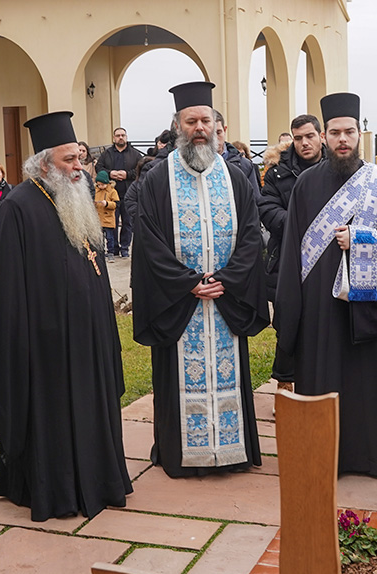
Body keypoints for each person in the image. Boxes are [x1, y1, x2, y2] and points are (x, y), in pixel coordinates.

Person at [0, 111, 132, 521]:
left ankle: (99, 481)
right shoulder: (18, 207)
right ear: (44, 164)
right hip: (46, 348)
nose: (78, 167)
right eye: (69, 161)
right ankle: (57, 490)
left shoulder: (76, 200)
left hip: (88, 339)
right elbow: (8, 292)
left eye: (79, 158)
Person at [131, 81, 270, 479]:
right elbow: (149, 242)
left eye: (205, 120)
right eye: (191, 120)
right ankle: (180, 454)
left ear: (215, 125)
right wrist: (188, 283)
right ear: (178, 125)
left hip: (224, 300)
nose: (199, 128)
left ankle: (231, 451)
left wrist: (226, 280)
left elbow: (250, 234)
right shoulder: (157, 180)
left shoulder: (236, 178)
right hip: (181, 303)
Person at [273, 92, 377, 476]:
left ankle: (368, 458)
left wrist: (364, 238)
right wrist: (291, 311)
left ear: (359, 134)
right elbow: (290, 255)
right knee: (320, 380)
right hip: (319, 308)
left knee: (366, 387)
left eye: (349, 131)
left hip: (366, 308)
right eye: (334, 133)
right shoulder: (304, 185)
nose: (342, 139)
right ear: (323, 136)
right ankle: (322, 455)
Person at [259, 113, 326, 391]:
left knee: (324, 322)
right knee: (288, 322)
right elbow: (267, 209)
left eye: (310, 136)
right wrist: (301, 225)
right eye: (298, 138)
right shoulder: (277, 172)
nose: (304, 143)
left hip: (328, 259)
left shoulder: (338, 168)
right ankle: (285, 384)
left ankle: (324, 381)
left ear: (321, 136)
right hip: (288, 259)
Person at [95, 126, 141, 258]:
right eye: (118, 135)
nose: (121, 137)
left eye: (123, 135)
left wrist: (127, 174)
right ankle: (113, 248)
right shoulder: (107, 154)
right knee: (111, 222)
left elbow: (139, 170)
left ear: (126, 137)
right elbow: (99, 167)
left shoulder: (135, 154)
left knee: (127, 222)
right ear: (114, 138)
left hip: (128, 194)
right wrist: (111, 173)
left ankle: (125, 248)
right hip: (109, 196)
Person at [214, 110, 262, 200]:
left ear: (225, 130)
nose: (215, 138)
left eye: (218, 133)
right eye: (211, 134)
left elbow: (255, 200)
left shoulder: (245, 165)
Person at [93, 170, 119, 262]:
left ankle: (111, 252)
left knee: (109, 237)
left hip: (108, 218)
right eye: (98, 184)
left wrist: (107, 203)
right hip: (98, 218)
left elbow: (116, 204)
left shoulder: (112, 191)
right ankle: (101, 252)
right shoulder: (95, 191)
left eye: (102, 184)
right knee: (100, 238)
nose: (100, 186)